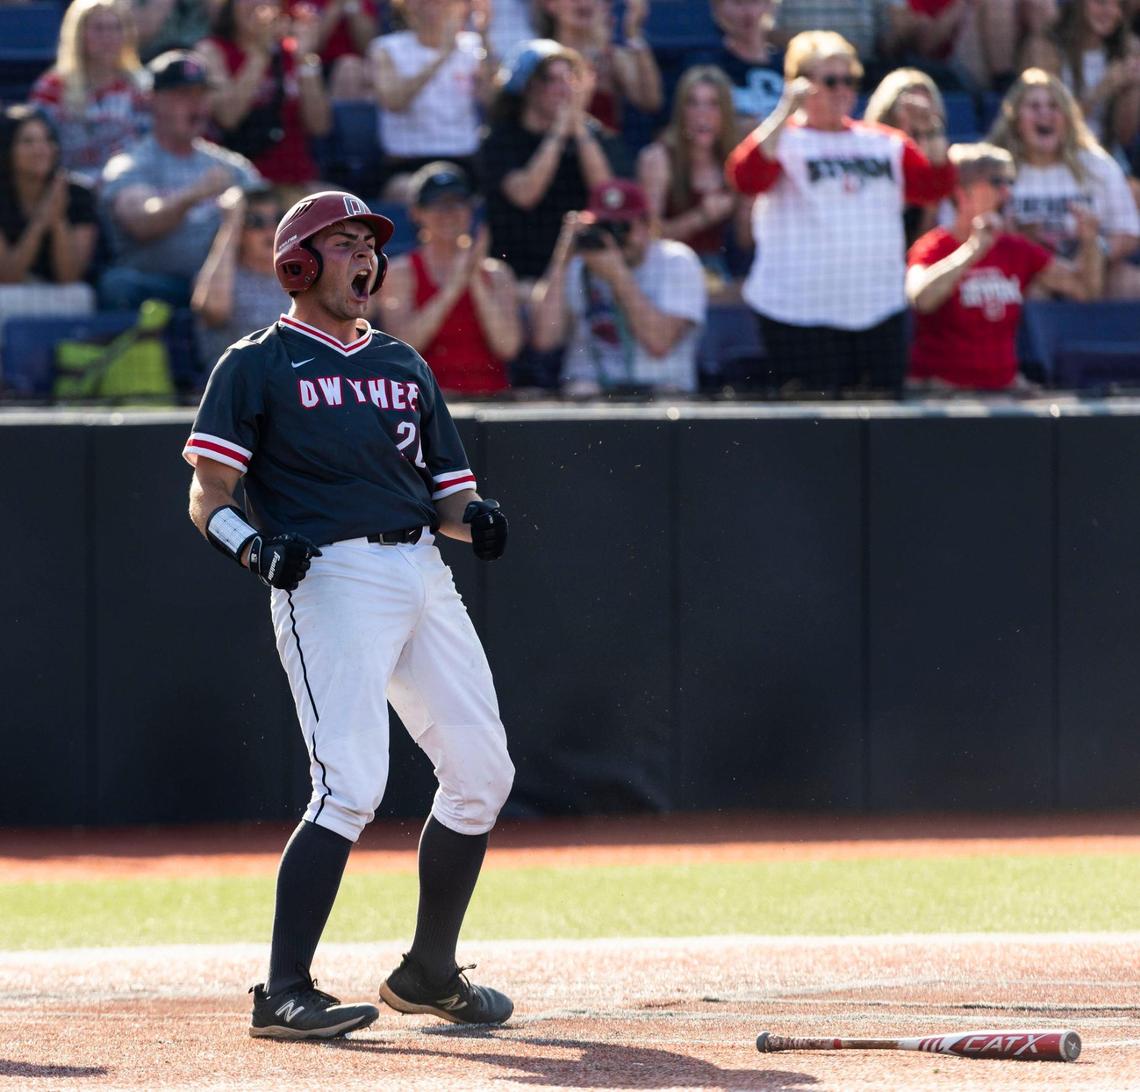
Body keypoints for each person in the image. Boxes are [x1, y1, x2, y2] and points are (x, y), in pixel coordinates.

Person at [182, 188, 515, 1039]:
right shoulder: (255, 362)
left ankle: (430, 972)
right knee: (351, 784)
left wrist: (471, 519)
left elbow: (449, 494)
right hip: (329, 578)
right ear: (297, 263)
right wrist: (253, 549)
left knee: (483, 775)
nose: (364, 255)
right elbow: (206, 494)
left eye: (369, 242)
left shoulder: (405, 363)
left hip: (421, 571)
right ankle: (282, 992)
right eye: (341, 241)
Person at [726, 30, 956, 396]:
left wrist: (931, 127)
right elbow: (746, 178)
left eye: (850, 80)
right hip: (797, 313)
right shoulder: (783, 140)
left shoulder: (884, 142)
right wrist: (785, 109)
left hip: (876, 308)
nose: (842, 90)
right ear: (800, 85)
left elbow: (934, 187)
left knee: (879, 432)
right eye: (830, 81)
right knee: (813, 432)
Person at [907, 142, 1102, 390]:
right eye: (997, 183)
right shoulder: (933, 246)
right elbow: (921, 298)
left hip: (1003, 390)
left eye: (1010, 183)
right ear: (962, 192)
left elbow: (1084, 289)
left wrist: (1090, 242)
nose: (1007, 193)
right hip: (942, 394)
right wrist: (972, 251)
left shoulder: (1015, 248)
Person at [99, 50, 263, 311]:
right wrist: (194, 194)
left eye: (201, 95)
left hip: (224, 286)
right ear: (153, 100)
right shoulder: (132, 163)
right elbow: (140, 223)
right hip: (161, 288)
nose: (196, 105)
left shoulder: (232, 166)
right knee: (118, 284)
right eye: (183, 95)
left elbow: (273, 220)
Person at [529, 178, 707, 395]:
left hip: (661, 391)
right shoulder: (578, 264)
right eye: (605, 226)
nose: (614, 238)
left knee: (667, 399)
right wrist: (562, 257)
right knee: (582, 392)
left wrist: (618, 276)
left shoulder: (677, 261)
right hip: (588, 391)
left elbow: (659, 343)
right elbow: (544, 340)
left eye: (623, 227)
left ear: (647, 225)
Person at [480, 39, 628, 282]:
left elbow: (608, 197)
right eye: (551, 80)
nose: (564, 89)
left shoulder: (594, 136)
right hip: (519, 274)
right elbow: (525, 193)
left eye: (570, 79)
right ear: (527, 87)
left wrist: (579, 131)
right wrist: (558, 133)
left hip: (583, 274)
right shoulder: (499, 138)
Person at [987, 67, 1140, 296]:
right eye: (1034, 107)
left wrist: (1095, 251)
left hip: (1092, 268)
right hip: (1023, 270)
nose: (1045, 114)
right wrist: (1012, 237)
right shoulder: (994, 166)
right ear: (1016, 119)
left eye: (1054, 106)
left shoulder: (1097, 165)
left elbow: (1129, 231)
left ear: (1068, 119)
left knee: (1130, 282)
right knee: (1035, 289)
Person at [374, 161, 521, 395]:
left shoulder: (497, 273)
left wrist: (473, 278)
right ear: (416, 213)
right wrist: (454, 286)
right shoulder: (400, 271)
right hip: (428, 401)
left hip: (492, 399)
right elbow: (404, 346)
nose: (449, 214)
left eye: (457, 204)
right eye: (438, 205)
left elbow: (507, 347)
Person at [195, 0, 332, 190]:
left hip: (294, 180)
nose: (257, 6)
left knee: (352, 209)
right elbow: (228, 116)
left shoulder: (291, 53)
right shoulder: (211, 50)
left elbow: (319, 125)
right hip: (239, 184)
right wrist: (261, 53)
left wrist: (305, 59)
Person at [370, 0, 498, 199]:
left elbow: (493, 102)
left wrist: (484, 34)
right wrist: (443, 54)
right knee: (410, 194)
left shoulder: (474, 45)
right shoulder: (386, 48)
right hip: (408, 162)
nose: (437, 8)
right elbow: (393, 101)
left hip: (465, 160)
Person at [636, 65, 747, 279]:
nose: (702, 115)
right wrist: (701, 216)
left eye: (713, 104)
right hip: (666, 271)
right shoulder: (658, 158)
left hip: (721, 272)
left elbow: (746, 241)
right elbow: (648, 238)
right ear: (681, 111)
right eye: (693, 103)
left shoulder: (736, 159)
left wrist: (746, 205)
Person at [29, 0, 150, 184]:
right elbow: (38, 147)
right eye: (99, 28)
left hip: (128, 185)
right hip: (70, 186)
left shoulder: (140, 85)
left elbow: (149, 144)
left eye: (116, 28)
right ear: (79, 34)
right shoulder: (51, 88)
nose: (108, 37)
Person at [191, 184, 284, 379]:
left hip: (294, 387)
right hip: (237, 389)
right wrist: (230, 222)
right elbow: (214, 310)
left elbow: (361, 309)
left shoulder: (299, 273)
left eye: (277, 219)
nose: (270, 229)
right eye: (256, 222)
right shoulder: (221, 275)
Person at [0, 105, 98, 288]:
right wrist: (39, 223)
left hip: (65, 293)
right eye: (28, 142)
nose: (41, 149)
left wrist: (58, 220)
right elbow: (8, 278)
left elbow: (69, 277)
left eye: (48, 140)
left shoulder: (78, 193)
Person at [1023, 0, 1140, 150]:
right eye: (1101, 2)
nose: (1110, 12)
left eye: (1118, 5)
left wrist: (1132, 92)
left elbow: (1124, 138)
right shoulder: (1044, 48)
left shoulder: (1126, 50)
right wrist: (1103, 89)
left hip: (1103, 154)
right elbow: (1047, 122)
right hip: (1054, 152)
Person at [536, 0, 663, 129]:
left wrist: (634, 33)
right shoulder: (538, 55)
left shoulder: (613, 57)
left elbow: (650, 101)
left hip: (603, 146)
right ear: (550, 4)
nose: (584, 4)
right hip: (545, 145)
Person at [862, 66, 949, 243]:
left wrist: (931, 137)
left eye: (924, 111)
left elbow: (930, 237)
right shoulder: (867, 150)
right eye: (910, 108)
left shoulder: (942, 161)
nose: (916, 117)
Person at [701, 0, 785, 128]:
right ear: (718, 7)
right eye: (738, 2)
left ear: (769, 5)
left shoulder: (788, 63)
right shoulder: (706, 66)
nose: (748, 13)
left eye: (754, 2)